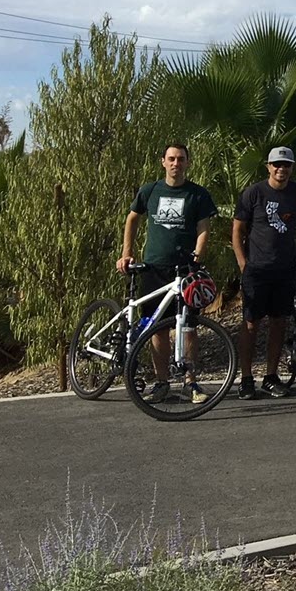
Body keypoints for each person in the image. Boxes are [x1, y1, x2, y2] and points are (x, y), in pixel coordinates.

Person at [117, 143, 218, 404]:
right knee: (156, 328)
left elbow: (204, 228)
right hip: (154, 268)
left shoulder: (198, 194)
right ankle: (161, 383)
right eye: (171, 159)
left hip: (185, 270)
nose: (176, 163)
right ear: (163, 161)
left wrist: (197, 256)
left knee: (188, 328)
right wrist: (127, 252)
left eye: (181, 159)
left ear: (188, 162)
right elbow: (132, 218)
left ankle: (190, 383)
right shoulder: (150, 191)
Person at [233, 146, 296, 399]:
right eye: (277, 164)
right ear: (268, 166)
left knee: (279, 321)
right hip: (256, 269)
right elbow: (237, 230)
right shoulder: (254, 193)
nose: (281, 169)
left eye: (286, 164)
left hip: (284, 269)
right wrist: (243, 263)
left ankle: (270, 376)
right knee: (251, 323)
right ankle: (246, 378)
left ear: (292, 167)